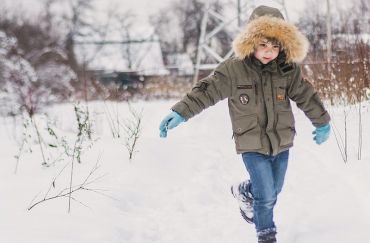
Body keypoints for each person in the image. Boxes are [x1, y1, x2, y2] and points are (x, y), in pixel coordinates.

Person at [159, 5, 331, 243]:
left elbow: (306, 95)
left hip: (281, 141)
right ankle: (266, 236)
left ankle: (244, 191)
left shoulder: (287, 69)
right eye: (263, 45)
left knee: (274, 190)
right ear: (251, 41)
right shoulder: (234, 69)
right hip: (251, 143)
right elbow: (206, 92)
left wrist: (322, 122)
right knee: (266, 195)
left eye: (275, 45)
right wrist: (180, 112)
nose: (269, 51)